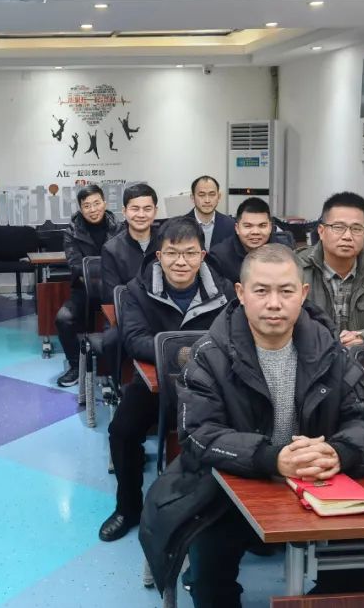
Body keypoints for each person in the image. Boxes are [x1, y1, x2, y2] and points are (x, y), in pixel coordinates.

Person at [138, 244, 364, 606]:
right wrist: (272, 458)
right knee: (211, 579)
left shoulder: (330, 350)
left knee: (356, 578)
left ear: (303, 294)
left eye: (286, 291)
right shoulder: (210, 354)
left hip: (318, 484)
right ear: (241, 293)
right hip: (226, 488)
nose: (274, 303)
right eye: (261, 291)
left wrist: (339, 452)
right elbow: (199, 435)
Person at [100, 217, 235, 543]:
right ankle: (128, 507)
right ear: (159, 256)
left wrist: (188, 353)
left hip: (212, 383)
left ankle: (231, 518)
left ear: (202, 255)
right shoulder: (137, 290)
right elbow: (134, 340)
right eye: (172, 253)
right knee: (122, 431)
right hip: (156, 381)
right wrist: (184, 353)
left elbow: (235, 337)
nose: (181, 262)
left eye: (190, 253)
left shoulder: (225, 289)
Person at [299, 192, 364, 346]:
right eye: (338, 227)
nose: (347, 236)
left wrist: (363, 337)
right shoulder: (296, 270)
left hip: (361, 357)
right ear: (321, 231)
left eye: (356, 228)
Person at [55, 183, 118, 388]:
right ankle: (75, 365)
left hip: (115, 289)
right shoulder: (71, 232)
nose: (93, 209)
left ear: (104, 203)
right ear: (81, 208)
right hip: (84, 289)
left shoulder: (119, 228)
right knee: (63, 319)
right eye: (87, 205)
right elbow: (76, 266)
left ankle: (117, 367)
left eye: (96, 203)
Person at [208, 197, 295, 283]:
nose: (255, 232)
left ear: (270, 227)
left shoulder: (285, 252)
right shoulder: (219, 257)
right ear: (237, 228)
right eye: (248, 226)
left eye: (262, 226)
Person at [100, 182, 159, 303]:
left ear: (155, 211)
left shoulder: (167, 244)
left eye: (147, 209)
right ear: (124, 211)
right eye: (135, 209)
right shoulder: (111, 249)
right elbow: (112, 296)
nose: (141, 215)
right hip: (129, 309)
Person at [186, 175, 235, 250]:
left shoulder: (230, 225)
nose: (207, 200)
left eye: (212, 195)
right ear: (192, 198)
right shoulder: (180, 225)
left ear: (219, 197)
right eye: (201, 195)